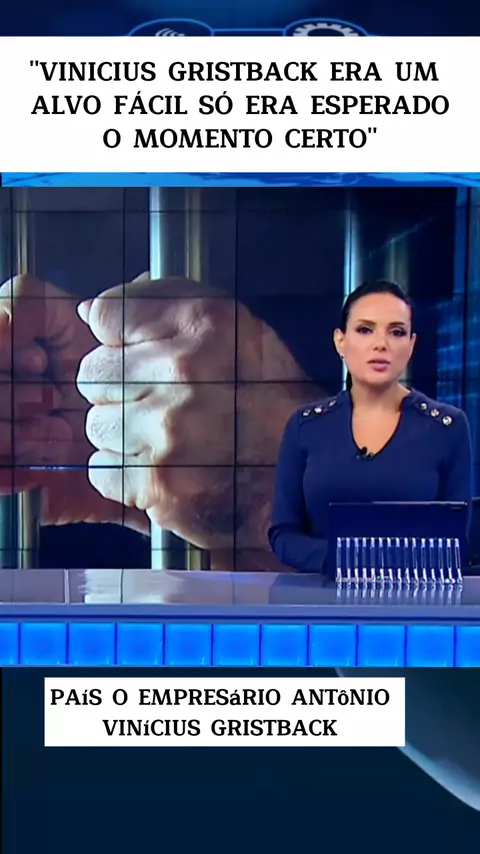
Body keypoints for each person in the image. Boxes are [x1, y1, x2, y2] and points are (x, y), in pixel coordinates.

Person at [268, 279, 474, 572]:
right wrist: (343, 560)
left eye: (397, 332)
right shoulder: (305, 426)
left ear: (411, 345)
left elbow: (456, 542)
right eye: (365, 330)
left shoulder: (447, 427)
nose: (381, 344)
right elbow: (283, 534)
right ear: (340, 341)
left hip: (414, 597)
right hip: (322, 595)